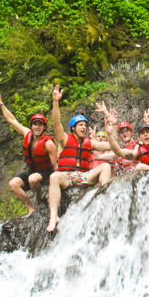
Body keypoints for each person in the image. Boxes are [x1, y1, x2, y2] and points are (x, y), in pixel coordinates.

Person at [46, 85, 115, 232]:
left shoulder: (90, 143)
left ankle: (105, 194)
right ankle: (53, 216)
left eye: (85, 125)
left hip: (84, 176)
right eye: (80, 125)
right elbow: (56, 123)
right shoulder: (64, 139)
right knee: (53, 177)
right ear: (73, 128)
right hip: (67, 176)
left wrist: (111, 129)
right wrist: (56, 102)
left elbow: (112, 146)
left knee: (106, 166)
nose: (83, 127)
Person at [0, 88, 57, 216]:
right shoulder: (27, 134)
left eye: (40, 125)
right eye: (35, 124)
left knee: (33, 179)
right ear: (31, 126)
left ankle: (38, 198)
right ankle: (31, 210)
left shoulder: (48, 143)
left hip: (46, 174)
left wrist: (60, 181)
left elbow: (56, 164)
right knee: (13, 184)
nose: (37, 127)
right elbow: (12, 120)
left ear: (45, 127)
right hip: (33, 172)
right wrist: (0, 103)